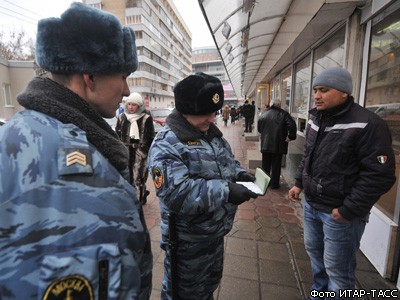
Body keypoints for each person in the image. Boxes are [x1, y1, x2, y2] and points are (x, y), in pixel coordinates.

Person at [0, 3, 152, 299]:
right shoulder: (89, 168)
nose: (125, 90)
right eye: (122, 75)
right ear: (90, 77)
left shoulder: (11, 134)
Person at [148, 72, 258, 300]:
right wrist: (226, 190)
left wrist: (240, 174)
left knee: (207, 288)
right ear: (185, 110)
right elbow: (177, 194)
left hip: (214, 235)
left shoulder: (212, 135)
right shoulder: (167, 143)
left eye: (214, 112)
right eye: (204, 113)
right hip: (187, 244)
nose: (211, 118)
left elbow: (226, 163)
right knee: (183, 295)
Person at [288, 67, 396, 299]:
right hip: (312, 206)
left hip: (340, 214)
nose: (316, 95)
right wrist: (298, 183)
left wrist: (349, 210)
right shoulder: (315, 119)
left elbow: (379, 175)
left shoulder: (368, 124)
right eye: (315, 90)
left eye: (324, 90)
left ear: (344, 92)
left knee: (339, 271)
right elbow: (309, 156)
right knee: (316, 257)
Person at [116, 92, 155, 205]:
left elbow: (150, 137)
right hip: (124, 151)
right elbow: (117, 136)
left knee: (138, 177)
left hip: (139, 152)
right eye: (129, 104)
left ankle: (137, 201)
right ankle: (136, 196)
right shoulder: (121, 117)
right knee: (126, 176)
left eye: (134, 105)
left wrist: (144, 152)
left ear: (139, 106)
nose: (131, 107)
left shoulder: (146, 118)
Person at [258, 99, 297, 189]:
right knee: (276, 165)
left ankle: (264, 183)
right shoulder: (284, 114)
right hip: (278, 145)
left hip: (265, 144)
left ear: (271, 105)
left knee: (265, 164)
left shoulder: (264, 114)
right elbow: (292, 125)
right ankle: (274, 184)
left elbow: (259, 129)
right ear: (279, 105)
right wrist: (291, 136)